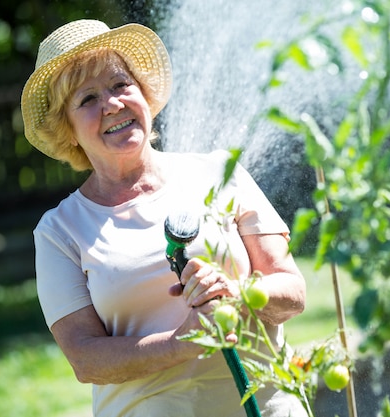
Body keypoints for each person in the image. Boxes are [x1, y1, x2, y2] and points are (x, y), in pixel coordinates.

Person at [20, 19, 308, 417]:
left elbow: (293, 292)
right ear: (67, 130)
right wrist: (183, 342)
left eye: (121, 84)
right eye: (87, 99)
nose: (112, 103)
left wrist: (237, 293)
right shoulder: (59, 231)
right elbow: (85, 359)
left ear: (143, 93)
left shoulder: (220, 172)